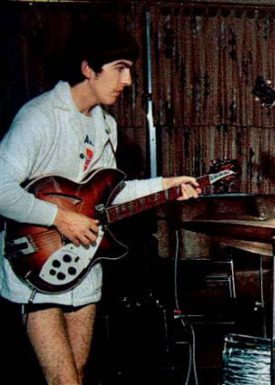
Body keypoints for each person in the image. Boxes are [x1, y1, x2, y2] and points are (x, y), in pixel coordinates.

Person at [0, 20, 201, 385]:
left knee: (76, 374)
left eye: (130, 70)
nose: (128, 81)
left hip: (85, 263)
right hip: (35, 264)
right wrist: (58, 218)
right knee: (64, 381)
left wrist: (167, 185)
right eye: (120, 69)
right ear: (88, 68)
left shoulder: (104, 124)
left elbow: (108, 193)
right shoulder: (39, 117)